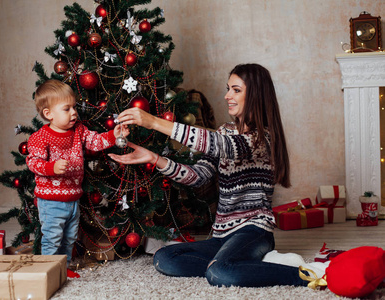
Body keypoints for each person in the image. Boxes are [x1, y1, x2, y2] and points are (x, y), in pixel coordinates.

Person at [109, 64, 315, 287]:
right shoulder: (224, 130)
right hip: (222, 236)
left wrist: (154, 122)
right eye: (228, 89)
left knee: (220, 273)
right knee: (164, 258)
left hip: (254, 231)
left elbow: (218, 145)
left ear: (255, 94)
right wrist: (154, 159)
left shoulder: (262, 138)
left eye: (236, 90)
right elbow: (196, 176)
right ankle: (239, 264)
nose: (227, 96)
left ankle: (297, 274)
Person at [26, 79, 129, 272]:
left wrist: (113, 135)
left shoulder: (78, 130)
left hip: (73, 198)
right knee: (52, 237)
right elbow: (32, 162)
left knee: (70, 238)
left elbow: (95, 141)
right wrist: (51, 168)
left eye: (74, 107)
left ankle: (63, 270)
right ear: (49, 114)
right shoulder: (40, 137)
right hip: (51, 200)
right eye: (67, 109)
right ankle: (46, 272)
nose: (74, 112)